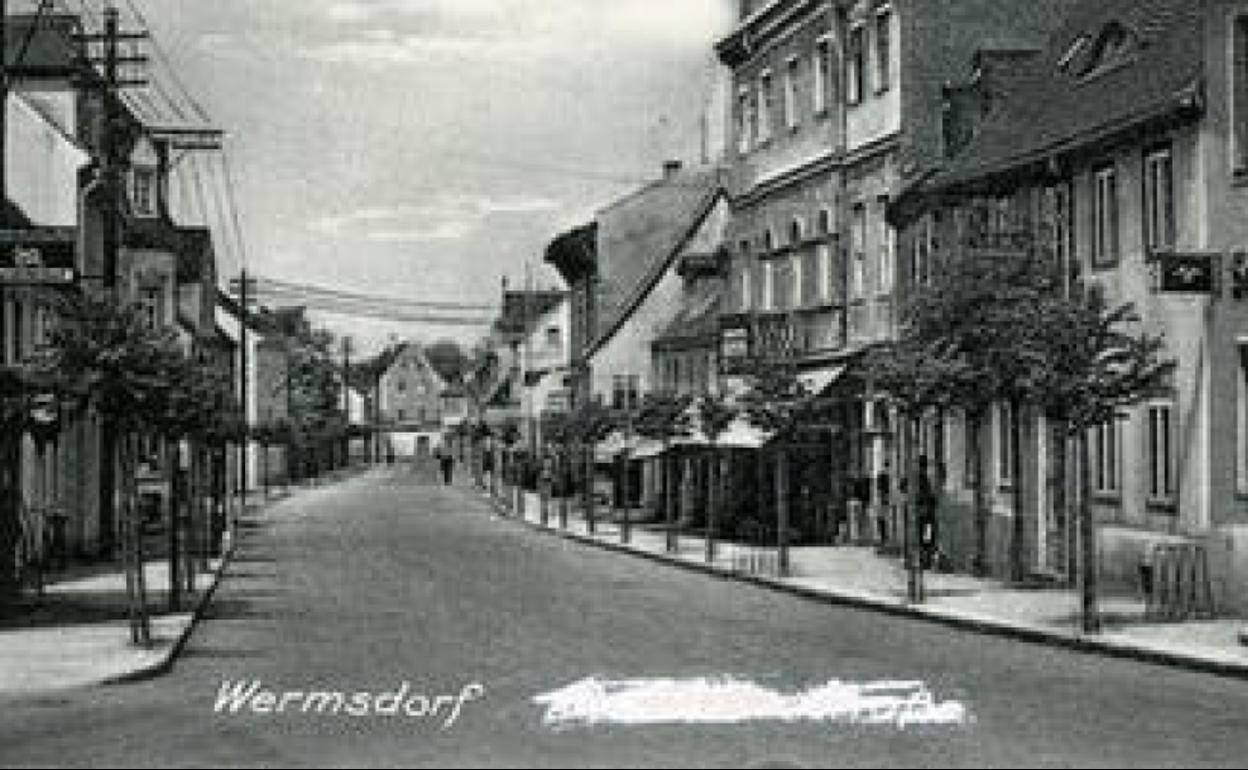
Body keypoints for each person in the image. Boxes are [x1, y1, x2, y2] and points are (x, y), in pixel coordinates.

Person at [916, 455, 939, 570]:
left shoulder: (919, 477)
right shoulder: (922, 478)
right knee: (926, 537)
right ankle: (924, 560)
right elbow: (927, 496)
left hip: (923, 513)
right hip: (925, 513)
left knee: (924, 537)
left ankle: (924, 560)